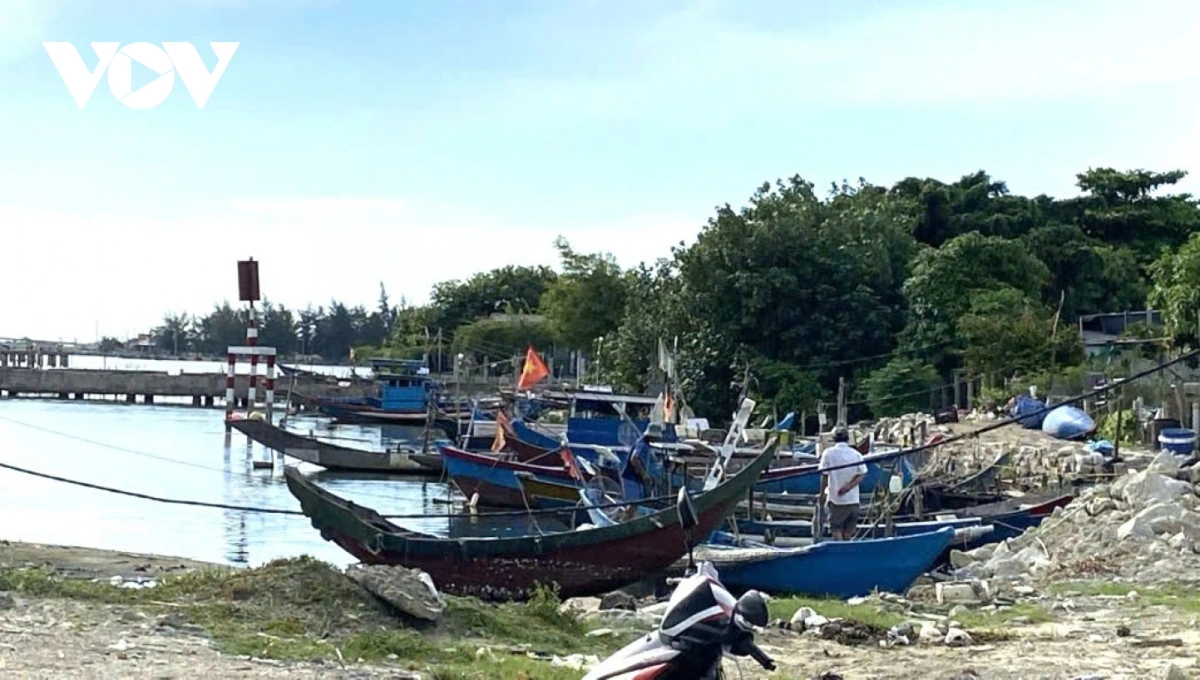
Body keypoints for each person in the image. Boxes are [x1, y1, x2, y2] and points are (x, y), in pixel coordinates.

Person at [818, 429, 868, 541]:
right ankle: (847, 548)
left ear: (834, 439)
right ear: (848, 440)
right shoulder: (856, 454)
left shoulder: (828, 453)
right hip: (853, 500)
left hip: (837, 500)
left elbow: (824, 476)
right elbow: (862, 473)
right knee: (848, 531)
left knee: (836, 528)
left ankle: (840, 548)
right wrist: (849, 487)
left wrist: (821, 495)